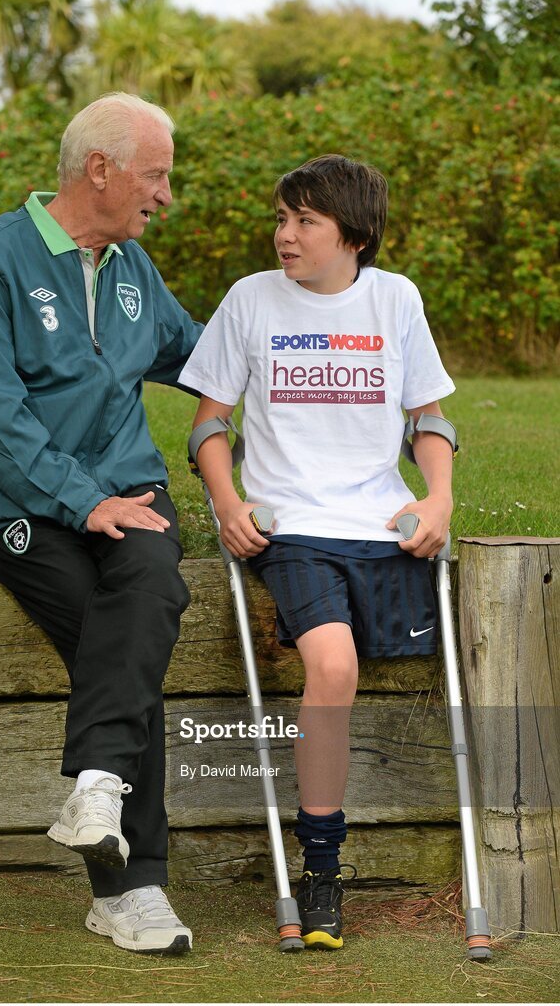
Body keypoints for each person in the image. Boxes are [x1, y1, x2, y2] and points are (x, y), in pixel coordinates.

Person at [0, 93, 204, 955]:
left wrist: (322, 332)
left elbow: (205, 356)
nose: (165, 195)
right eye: (155, 175)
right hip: (23, 511)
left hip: (130, 494)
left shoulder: (134, 273)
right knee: (119, 641)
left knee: (149, 591)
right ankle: (132, 890)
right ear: (101, 170)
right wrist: (83, 501)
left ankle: (96, 790)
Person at [178, 154, 456, 950]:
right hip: (290, 526)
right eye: (280, 218)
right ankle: (323, 868)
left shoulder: (395, 299)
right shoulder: (249, 300)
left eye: (305, 221)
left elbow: (429, 420)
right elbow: (208, 423)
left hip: (380, 525)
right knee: (333, 665)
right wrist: (228, 505)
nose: (284, 235)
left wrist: (436, 500)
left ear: (355, 236)